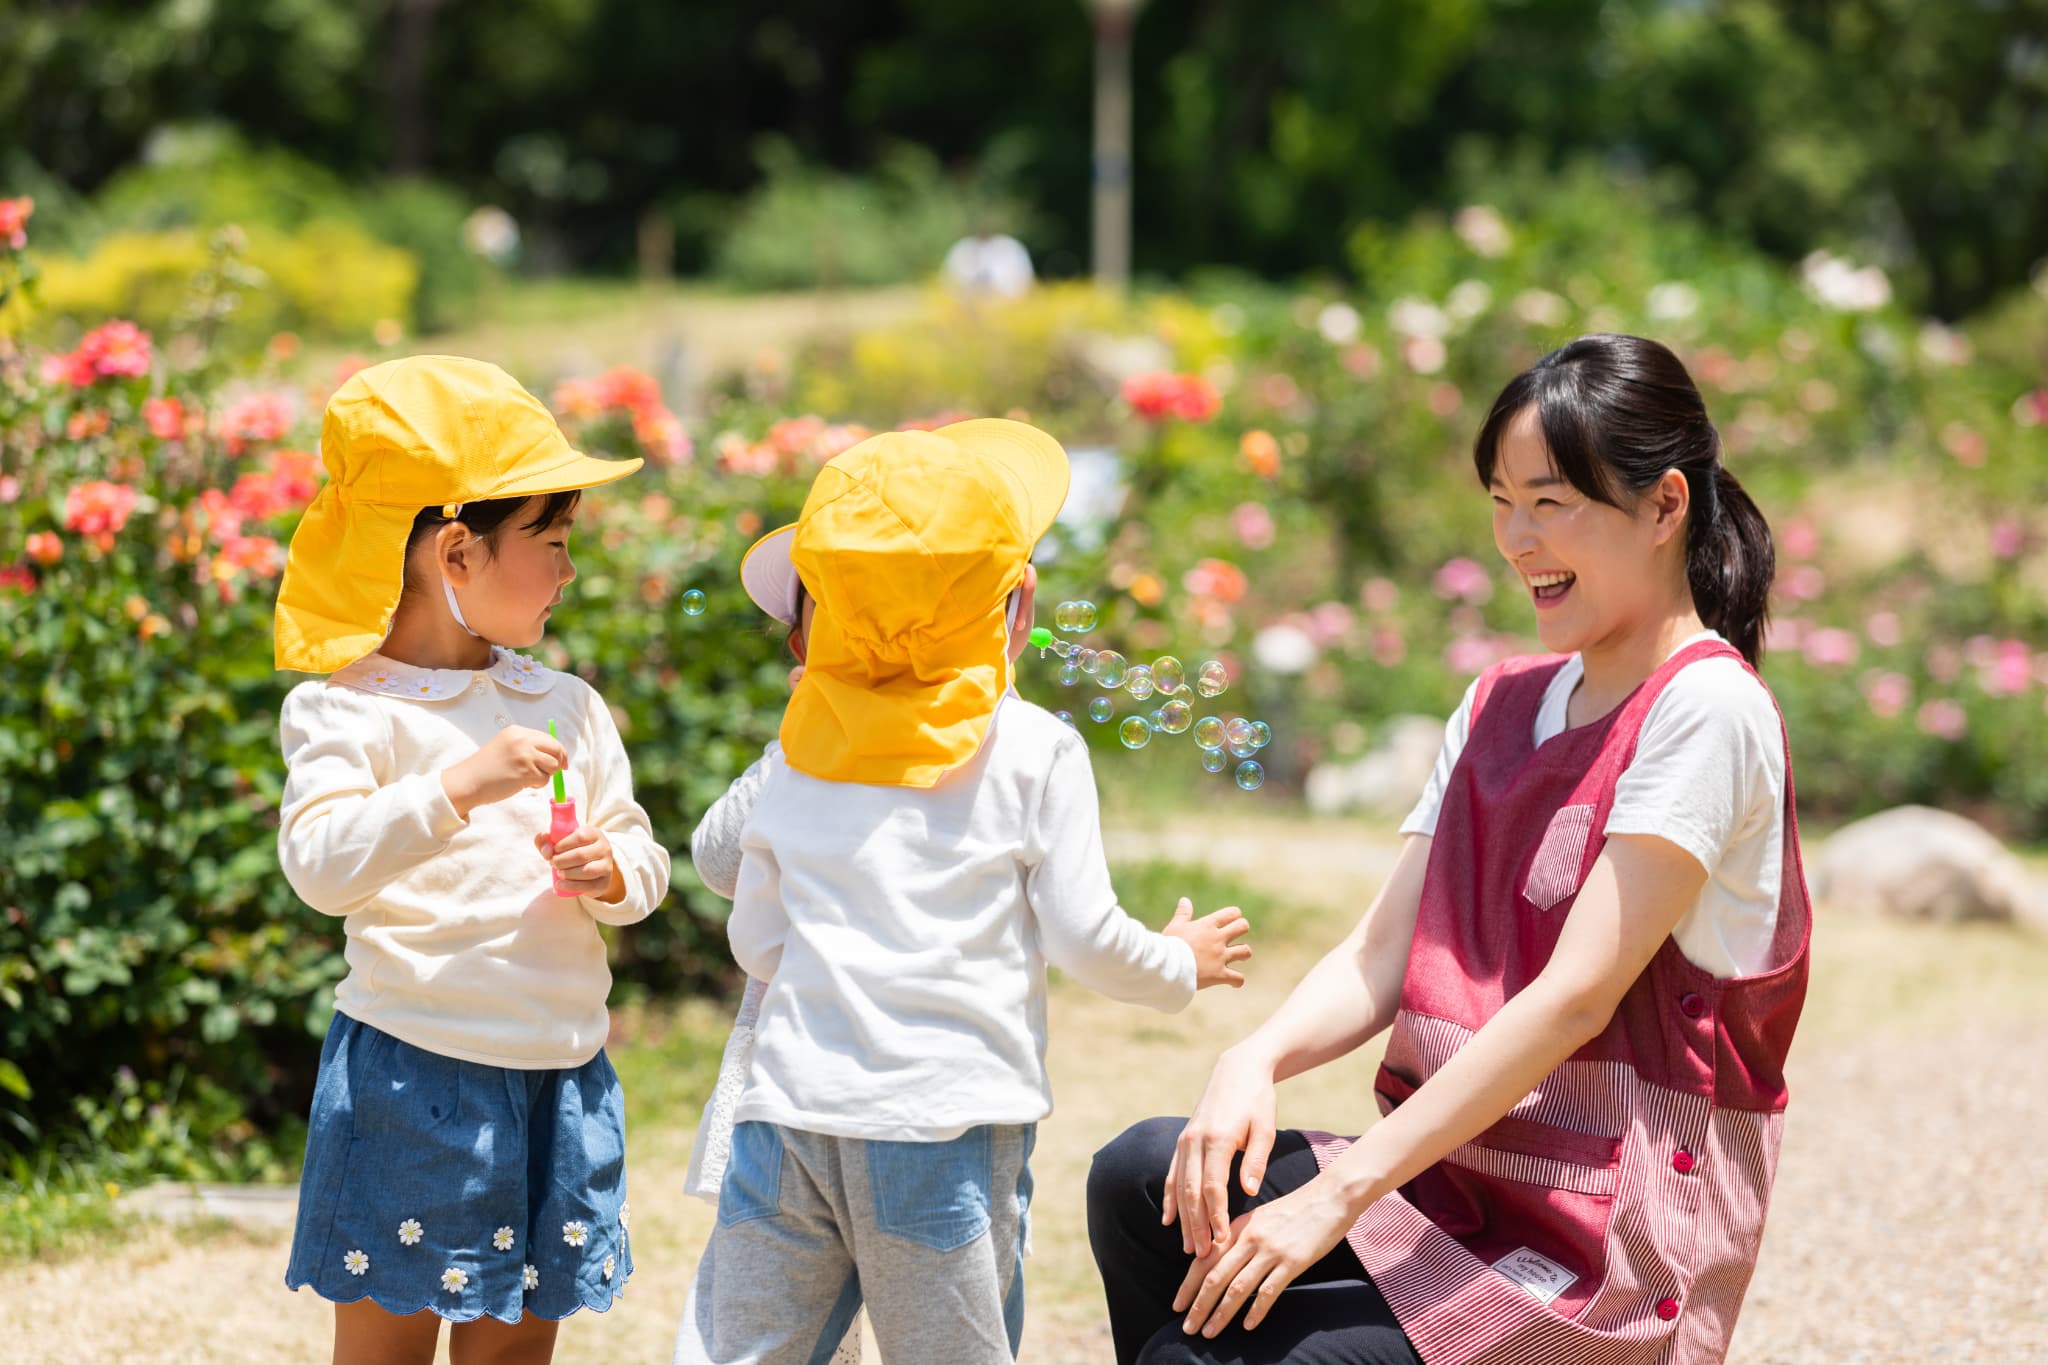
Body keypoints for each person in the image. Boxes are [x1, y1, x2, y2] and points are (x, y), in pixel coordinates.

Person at [1087, 333, 1812, 1364]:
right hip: (1452, 1194)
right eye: (1499, 499)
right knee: (1138, 1180)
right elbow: (1380, 955)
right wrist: (1250, 1058)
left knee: (1196, 1357)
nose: (1516, 538)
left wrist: (1335, 1194)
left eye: (1550, 501)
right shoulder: (1497, 701)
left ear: (1663, 507)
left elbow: (1575, 997)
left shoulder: (1705, 707)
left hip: (1600, 1255)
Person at [673, 418, 1252, 1365]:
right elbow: (1083, 936)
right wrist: (1177, 965)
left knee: (749, 1350)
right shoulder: (1034, 750)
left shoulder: (802, 754)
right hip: (941, 1130)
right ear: (1016, 605)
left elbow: (744, 912)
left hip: (786, 1120)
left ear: (818, 621)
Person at [273, 355, 671, 1364]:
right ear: (454, 552)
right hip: (412, 1069)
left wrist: (613, 871)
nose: (569, 571)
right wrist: (454, 788)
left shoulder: (566, 704)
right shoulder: (346, 709)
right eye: (551, 541)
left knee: (510, 1351)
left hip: (558, 1071)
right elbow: (321, 867)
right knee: (386, 1348)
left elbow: (638, 856)